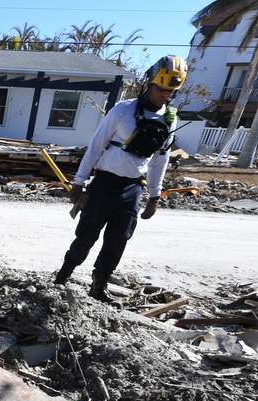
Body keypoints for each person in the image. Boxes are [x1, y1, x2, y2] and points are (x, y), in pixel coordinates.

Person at [54, 55, 187, 303]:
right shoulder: (122, 110)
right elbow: (95, 146)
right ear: (149, 83)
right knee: (86, 236)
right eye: (161, 88)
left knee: (118, 241)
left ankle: (98, 287)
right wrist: (79, 181)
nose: (164, 94)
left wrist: (155, 196)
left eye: (170, 91)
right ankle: (62, 277)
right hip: (104, 184)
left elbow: (160, 160)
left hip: (132, 189)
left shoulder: (169, 119)